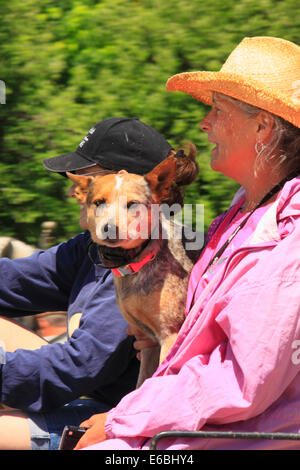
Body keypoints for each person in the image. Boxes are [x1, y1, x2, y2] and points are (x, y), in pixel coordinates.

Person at [75, 36, 300, 451]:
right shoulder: (238, 217)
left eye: (218, 110)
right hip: (183, 426)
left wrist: (126, 417)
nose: (203, 123)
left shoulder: (288, 235)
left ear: (263, 127)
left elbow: (245, 382)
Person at [0, 117, 172, 450]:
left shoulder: (147, 262)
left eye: (84, 179)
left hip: (117, 420)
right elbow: (17, 280)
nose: (72, 191)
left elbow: (76, 368)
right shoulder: (96, 247)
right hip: (84, 392)